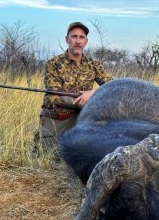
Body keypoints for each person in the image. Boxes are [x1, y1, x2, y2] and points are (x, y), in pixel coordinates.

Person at [34, 22, 113, 156]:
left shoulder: (94, 64)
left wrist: (93, 93)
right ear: (67, 39)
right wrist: (83, 101)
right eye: (74, 37)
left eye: (81, 37)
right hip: (58, 118)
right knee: (49, 158)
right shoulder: (53, 64)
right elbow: (55, 96)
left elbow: (111, 86)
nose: (77, 41)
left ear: (86, 41)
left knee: (92, 155)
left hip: (83, 117)